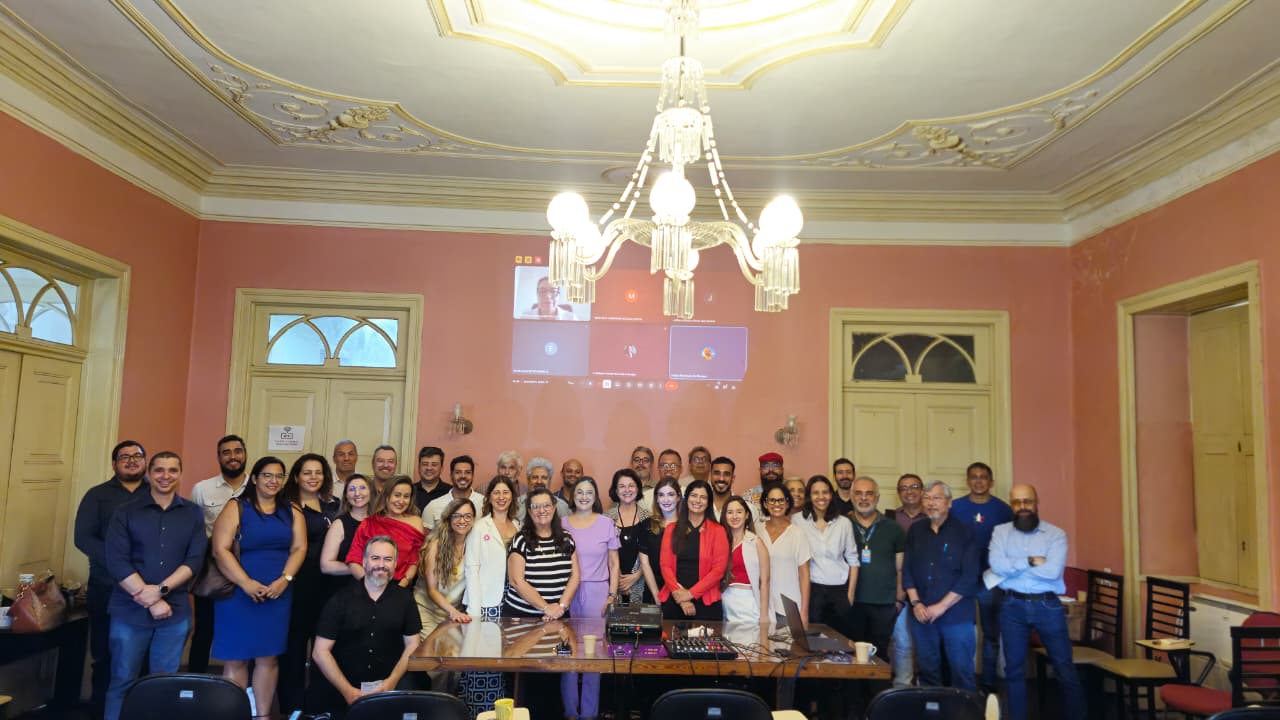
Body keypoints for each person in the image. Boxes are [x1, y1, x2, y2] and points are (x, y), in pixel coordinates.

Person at [103, 451, 206, 720]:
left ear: (180, 474)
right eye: (159, 470)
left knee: (164, 684)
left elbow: (194, 560)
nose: (165, 476)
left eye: (172, 470)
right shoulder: (125, 512)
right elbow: (116, 560)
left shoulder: (193, 513)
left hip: (175, 613)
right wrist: (149, 598)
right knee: (122, 680)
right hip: (129, 610)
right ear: (149, 473)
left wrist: (160, 591)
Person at [211, 456, 307, 717]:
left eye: (278, 476)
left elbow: (299, 548)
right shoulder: (237, 506)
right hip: (238, 594)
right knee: (236, 658)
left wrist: (285, 579)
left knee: (269, 657)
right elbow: (220, 549)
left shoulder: (292, 510)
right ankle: (235, 714)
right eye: (267, 475)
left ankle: (263, 715)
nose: (273, 481)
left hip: (277, 594)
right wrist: (246, 583)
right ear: (254, 478)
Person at [987, 483, 1084, 720]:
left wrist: (1012, 567)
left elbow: (1052, 572)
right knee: (1014, 670)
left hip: (1047, 606)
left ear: (1037, 502)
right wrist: (1030, 561)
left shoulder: (1055, 534)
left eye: (1027, 501)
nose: (1023, 507)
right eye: (1017, 502)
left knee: (1064, 667)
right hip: (1012, 606)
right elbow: (997, 566)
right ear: (1011, 505)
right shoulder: (1000, 532)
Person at [73, 440, 149, 717]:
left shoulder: (157, 493)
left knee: (143, 658)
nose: (131, 460)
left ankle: (138, 712)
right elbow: (83, 538)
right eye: (124, 456)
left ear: (145, 462)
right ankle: (101, 712)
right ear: (114, 464)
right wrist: (120, 565)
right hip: (106, 587)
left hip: (148, 592)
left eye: (137, 455)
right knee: (105, 656)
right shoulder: (97, 495)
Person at [310, 536, 423, 716]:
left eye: (388, 559)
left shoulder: (405, 599)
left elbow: (413, 645)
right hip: (344, 686)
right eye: (375, 558)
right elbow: (320, 652)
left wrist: (391, 682)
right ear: (364, 562)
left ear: (395, 564)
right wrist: (347, 690)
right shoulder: (340, 600)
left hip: (391, 684)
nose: (381, 565)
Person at [903, 481, 981, 691]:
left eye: (936, 498)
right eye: (927, 498)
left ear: (949, 502)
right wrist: (916, 603)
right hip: (922, 615)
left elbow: (969, 577)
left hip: (957, 615)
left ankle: (964, 709)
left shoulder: (965, 531)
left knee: (961, 671)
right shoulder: (915, 530)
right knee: (928, 671)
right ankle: (933, 708)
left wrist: (941, 606)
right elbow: (907, 571)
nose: (931, 503)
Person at [279, 453, 341, 713]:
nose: (313, 477)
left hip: (329, 587)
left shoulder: (333, 505)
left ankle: (318, 706)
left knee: (324, 648)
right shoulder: (286, 506)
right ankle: (292, 706)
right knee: (294, 647)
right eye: (307, 472)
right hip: (298, 584)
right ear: (296, 477)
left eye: (318, 472)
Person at [950, 461, 1013, 691]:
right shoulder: (955, 507)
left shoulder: (1003, 510)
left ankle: (987, 684)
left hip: (991, 579)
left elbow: (1011, 544)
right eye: (974, 477)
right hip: (962, 580)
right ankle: (963, 685)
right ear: (967, 481)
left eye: (983, 477)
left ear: (991, 481)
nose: (978, 481)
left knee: (991, 635)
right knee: (961, 633)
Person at [459, 476, 519, 717]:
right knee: (483, 662)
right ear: (489, 497)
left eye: (506, 492)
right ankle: (478, 712)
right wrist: (475, 609)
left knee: (506, 662)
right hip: (486, 603)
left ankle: (502, 713)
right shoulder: (479, 526)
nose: (501, 497)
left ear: (512, 496)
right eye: (496, 492)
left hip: (512, 601)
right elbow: (471, 568)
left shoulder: (518, 525)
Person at [561, 478, 619, 720]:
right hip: (567, 593)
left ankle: (589, 714)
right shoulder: (562, 523)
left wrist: (612, 595)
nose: (584, 496)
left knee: (593, 656)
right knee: (567, 653)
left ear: (595, 496)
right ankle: (570, 713)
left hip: (597, 594)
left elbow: (614, 564)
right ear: (572, 495)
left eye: (589, 492)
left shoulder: (606, 523)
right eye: (580, 492)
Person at [188, 435, 248, 673]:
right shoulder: (202, 489)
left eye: (237, 451)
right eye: (226, 452)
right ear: (219, 457)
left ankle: (243, 685)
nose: (233, 457)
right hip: (212, 569)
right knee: (205, 629)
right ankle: (195, 681)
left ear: (245, 454)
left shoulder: (258, 486)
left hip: (248, 566)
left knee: (245, 628)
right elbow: (194, 530)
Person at [848, 477, 906, 688]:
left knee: (879, 655)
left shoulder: (894, 528)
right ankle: (854, 704)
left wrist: (899, 599)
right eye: (859, 493)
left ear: (877, 497)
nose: (864, 498)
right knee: (851, 657)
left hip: (884, 603)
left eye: (869, 493)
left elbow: (901, 568)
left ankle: (879, 702)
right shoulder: (843, 525)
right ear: (852, 497)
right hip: (852, 603)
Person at [791, 475, 858, 638]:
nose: (821, 497)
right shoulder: (798, 521)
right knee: (812, 642)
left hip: (839, 591)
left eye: (825, 492)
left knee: (840, 642)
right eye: (816, 493)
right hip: (812, 590)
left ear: (831, 495)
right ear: (809, 496)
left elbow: (853, 560)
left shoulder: (844, 523)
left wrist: (850, 596)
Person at [505, 487, 580, 619]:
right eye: (535, 506)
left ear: (554, 508)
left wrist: (561, 607)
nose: (541, 510)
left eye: (546, 505)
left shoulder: (567, 539)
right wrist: (546, 608)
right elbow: (516, 581)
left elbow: (575, 576)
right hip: (523, 617)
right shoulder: (521, 540)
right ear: (529, 511)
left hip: (558, 615)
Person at [658, 480, 728, 620]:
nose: (698, 500)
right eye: (694, 495)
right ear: (686, 499)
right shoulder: (671, 529)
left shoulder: (718, 530)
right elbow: (665, 566)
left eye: (703, 497)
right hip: (675, 600)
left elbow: (718, 570)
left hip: (706, 603)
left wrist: (690, 594)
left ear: (709, 502)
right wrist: (682, 598)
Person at [346, 476, 426, 587]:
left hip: (400, 585)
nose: (401, 501)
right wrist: (371, 585)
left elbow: (415, 560)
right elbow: (354, 560)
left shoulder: (416, 522)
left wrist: (402, 584)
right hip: (368, 584)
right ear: (386, 496)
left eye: (406, 496)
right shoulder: (369, 523)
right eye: (397, 495)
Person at [888, 472, 928, 687]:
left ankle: (925, 685)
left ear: (922, 491)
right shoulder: (890, 518)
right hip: (901, 588)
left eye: (914, 487)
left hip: (928, 589)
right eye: (904, 488)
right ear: (898, 493)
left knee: (927, 640)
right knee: (902, 639)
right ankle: (902, 685)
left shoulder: (933, 516)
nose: (909, 492)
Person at [418, 497, 475, 632]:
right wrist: (453, 612)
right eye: (457, 516)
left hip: (454, 612)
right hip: (428, 611)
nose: (462, 521)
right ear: (449, 518)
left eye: (467, 516)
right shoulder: (435, 545)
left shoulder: (474, 545)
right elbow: (432, 590)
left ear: (473, 519)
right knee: (430, 645)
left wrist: (457, 612)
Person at [758, 483, 811, 626]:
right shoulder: (757, 531)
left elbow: (804, 575)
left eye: (781, 500)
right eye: (772, 500)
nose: (777, 504)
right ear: (765, 503)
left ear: (787, 503)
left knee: (788, 641)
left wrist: (804, 612)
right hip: (761, 606)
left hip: (789, 608)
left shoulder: (798, 534)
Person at [719, 496, 770, 624]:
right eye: (730, 512)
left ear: (747, 515)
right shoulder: (721, 541)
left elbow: (765, 581)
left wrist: (764, 615)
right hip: (725, 602)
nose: (734, 516)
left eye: (739, 512)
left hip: (748, 604)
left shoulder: (756, 542)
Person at [606, 469, 649, 604]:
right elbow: (603, 553)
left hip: (642, 582)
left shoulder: (648, 517)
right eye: (622, 486)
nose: (627, 490)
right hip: (612, 582)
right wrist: (619, 579)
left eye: (631, 485)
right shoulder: (607, 518)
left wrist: (635, 577)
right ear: (616, 490)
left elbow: (653, 553)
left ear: (638, 488)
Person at [637, 478, 681, 604]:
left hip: (681, 589)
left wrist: (682, 593)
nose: (666, 500)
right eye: (661, 495)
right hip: (654, 589)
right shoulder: (646, 525)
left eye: (670, 494)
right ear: (656, 499)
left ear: (678, 497)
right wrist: (657, 596)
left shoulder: (687, 526)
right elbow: (645, 563)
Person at [320, 474, 373, 577]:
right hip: (345, 584)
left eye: (362, 488)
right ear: (346, 496)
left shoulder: (379, 521)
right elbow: (326, 566)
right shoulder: (339, 524)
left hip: (376, 584)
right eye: (352, 489)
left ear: (371, 492)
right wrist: (362, 569)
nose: (357, 493)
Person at [423, 455, 484, 530]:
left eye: (467, 472)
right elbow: (427, 536)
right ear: (451, 475)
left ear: (473, 476)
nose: (463, 476)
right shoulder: (433, 506)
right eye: (458, 472)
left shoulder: (484, 503)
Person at [413, 446, 451, 513]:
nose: (429, 468)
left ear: (441, 468)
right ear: (419, 467)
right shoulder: (410, 491)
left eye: (434, 465)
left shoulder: (450, 492)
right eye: (425, 464)